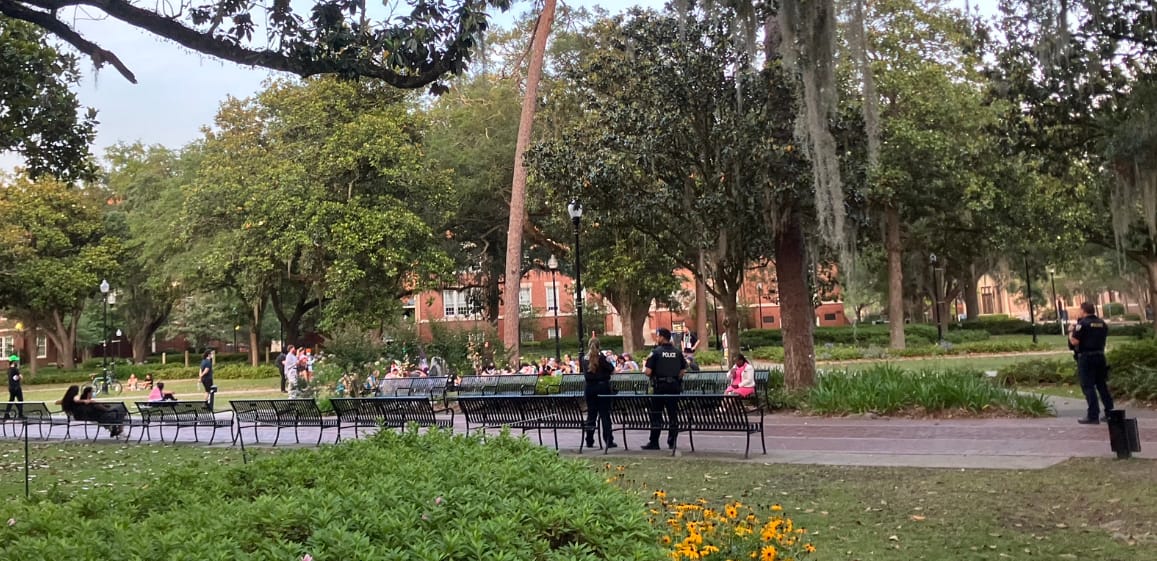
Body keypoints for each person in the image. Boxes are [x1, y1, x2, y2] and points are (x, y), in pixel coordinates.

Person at [1069, 302, 1114, 424]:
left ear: (1083, 310)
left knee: (1088, 386)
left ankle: (1093, 415)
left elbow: (1074, 342)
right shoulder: (1102, 323)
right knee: (1102, 385)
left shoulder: (1082, 324)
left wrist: (1070, 331)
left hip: (1086, 357)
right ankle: (1110, 412)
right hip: (1100, 356)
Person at [643, 328, 687, 450]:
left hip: (660, 387)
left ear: (662, 337)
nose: (656, 339)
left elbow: (648, 372)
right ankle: (672, 441)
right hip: (674, 387)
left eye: (657, 336)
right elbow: (683, 370)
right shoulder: (677, 352)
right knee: (673, 415)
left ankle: (654, 442)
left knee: (656, 414)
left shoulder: (656, 352)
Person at [583, 337, 617, 449]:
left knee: (591, 415)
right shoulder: (602, 358)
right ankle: (608, 440)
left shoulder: (584, 358)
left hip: (590, 389)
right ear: (599, 346)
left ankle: (589, 440)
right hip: (603, 388)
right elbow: (612, 369)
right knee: (605, 415)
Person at [61, 385, 125, 437]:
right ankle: (118, 428)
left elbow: (59, 402)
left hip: (82, 416)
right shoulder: (77, 401)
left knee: (116, 411)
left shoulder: (68, 402)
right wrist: (85, 401)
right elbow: (76, 400)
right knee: (119, 409)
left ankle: (116, 428)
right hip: (89, 416)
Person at [5, 355, 23, 419]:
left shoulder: (9, 370)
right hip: (17, 388)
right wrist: (18, 377)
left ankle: (6, 414)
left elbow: (11, 378)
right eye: (16, 361)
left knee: (11, 400)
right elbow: (21, 377)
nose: (17, 362)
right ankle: (20, 415)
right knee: (21, 400)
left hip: (11, 388)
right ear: (13, 362)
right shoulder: (15, 369)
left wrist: (16, 378)